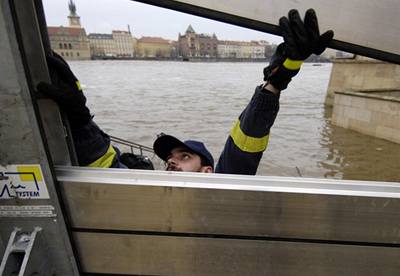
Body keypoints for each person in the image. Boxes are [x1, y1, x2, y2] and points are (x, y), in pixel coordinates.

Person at [37, 9, 333, 175]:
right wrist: (78, 117)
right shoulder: (146, 193)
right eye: (171, 159)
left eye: (184, 157)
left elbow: (245, 142)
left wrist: (275, 83)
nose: (171, 161)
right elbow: (104, 164)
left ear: (207, 171)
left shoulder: (223, 185)